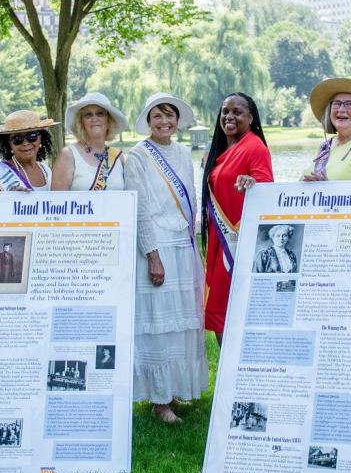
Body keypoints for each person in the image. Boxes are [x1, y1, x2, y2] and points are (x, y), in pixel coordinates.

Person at [124, 93, 208, 423]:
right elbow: (140, 208)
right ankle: (159, 401)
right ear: (148, 120)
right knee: (160, 322)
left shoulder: (184, 152)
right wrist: (152, 255)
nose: (164, 122)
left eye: (169, 116)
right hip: (156, 244)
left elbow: (192, 202)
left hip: (182, 243)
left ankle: (174, 390)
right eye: (157, 116)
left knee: (183, 321)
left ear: (177, 120)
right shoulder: (138, 156)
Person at [202, 93, 273, 347]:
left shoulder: (254, 147)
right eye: (225, 112)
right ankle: (228, 372)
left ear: (251, 118)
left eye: (237, 112)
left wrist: (253, 184)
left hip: (237, 242)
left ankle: (235, 370)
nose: (229, 116)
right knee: (219, 308)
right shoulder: (224, 149)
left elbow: (266, 190)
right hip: (220, 240)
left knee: (226, 310)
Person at [51, 93, 127, 191]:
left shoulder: (119, 157)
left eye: (100, 114)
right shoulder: (69, 155)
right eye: (88, 115)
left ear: (108, 120)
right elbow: (57, 202)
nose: (94, 119)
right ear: (81, 122)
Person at [0, 110, 57, 192]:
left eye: (32, 136)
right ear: (8, 143)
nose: (25, 143)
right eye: (17, 139)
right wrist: (12, 199)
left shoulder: (46, 170)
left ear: (41, 138)